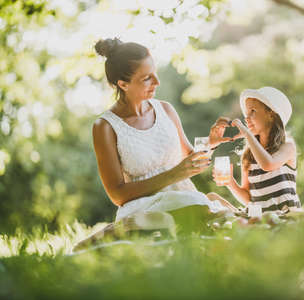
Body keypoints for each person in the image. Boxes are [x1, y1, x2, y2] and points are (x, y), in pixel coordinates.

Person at [76, 38, 228, 248]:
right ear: (123, 84)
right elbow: (117, 195)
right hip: (143, 207)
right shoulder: (105, 127)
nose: (157, 82)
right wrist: (174, 175)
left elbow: (190, 160)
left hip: (185, 198)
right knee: (199, 206)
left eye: (155, 73)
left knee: (203, 203)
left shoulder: (166, 110)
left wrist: (211, 144)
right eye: (147, 78)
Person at [211, 87, 301, 213]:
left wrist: (247, 133)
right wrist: (230, 182)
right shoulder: (248, 155)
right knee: (211, 198)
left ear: (271, 114)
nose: (246, 118)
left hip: (285, 218)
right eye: (246, 114)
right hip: (258, 219)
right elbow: (249, 199)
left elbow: (268, 164)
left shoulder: (287, 147)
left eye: (252, 111)